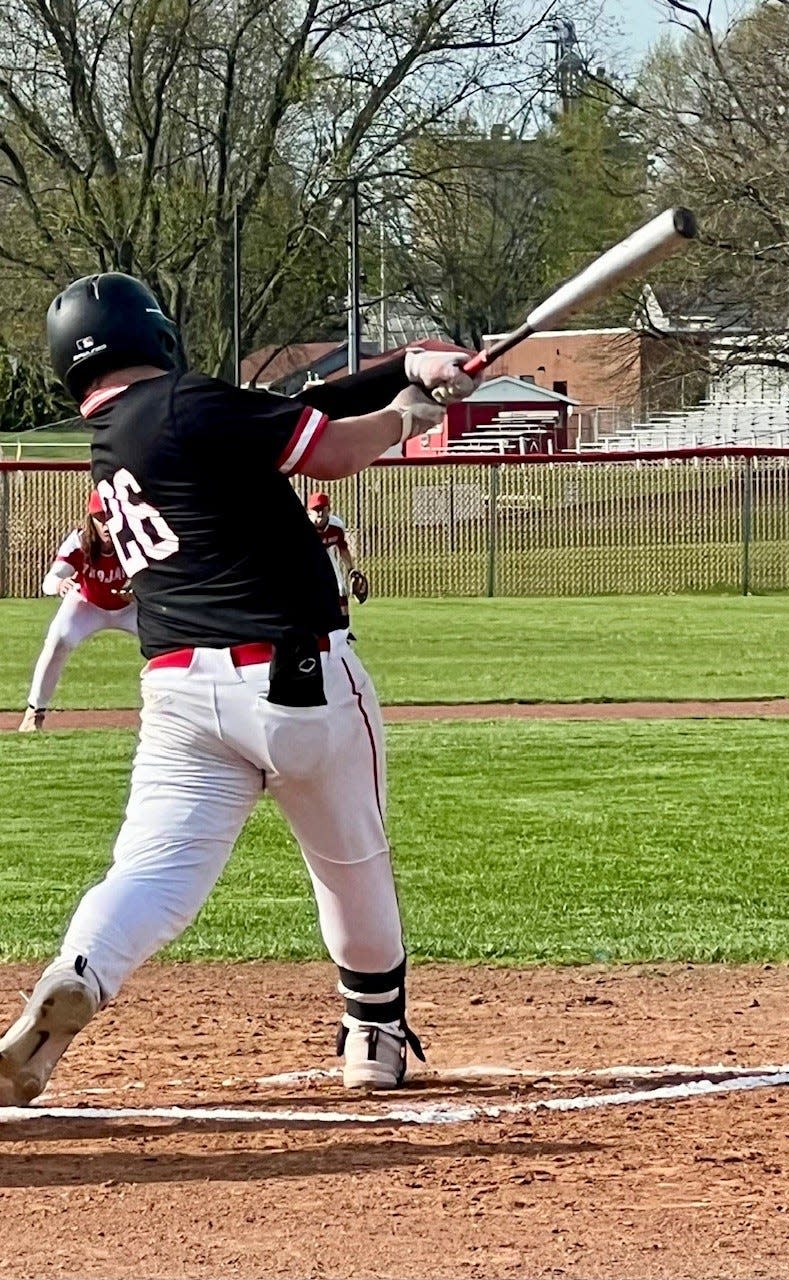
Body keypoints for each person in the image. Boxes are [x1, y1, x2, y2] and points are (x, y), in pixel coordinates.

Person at [0, 272, 476, 1106]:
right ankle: (374, 1036)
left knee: (149, 873)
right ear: (154, 335)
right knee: (351, 864)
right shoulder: (189, 407)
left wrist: (409, 363)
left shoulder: (118, 439)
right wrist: (407, 415)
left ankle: (80, 972)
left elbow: (299, 401)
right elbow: (332, 446)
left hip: (180, 694)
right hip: (299, 679)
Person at [18, 490, 138, 732]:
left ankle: (181, 715)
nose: (106, 524)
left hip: (130, 608)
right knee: (57, 641)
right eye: (100, 517)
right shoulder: (80, 542)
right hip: (87, 605)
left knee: (169, 643)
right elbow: (50, 579)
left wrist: (140, 590)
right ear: (91, 518)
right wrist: (60, 584)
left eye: (111, 516)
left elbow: (160, 576)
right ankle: (34, 713)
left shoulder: (134, 540)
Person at [306, 491, 365, 624]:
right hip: (306, 557)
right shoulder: (302, 527)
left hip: (327, 554)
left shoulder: (336, 526)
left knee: (340, 588)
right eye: (315, 509)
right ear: (309, 511)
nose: (319, 513)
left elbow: (342, 549)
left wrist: (351, 569)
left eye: (322, 509)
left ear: (329, 509)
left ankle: (344, 627)